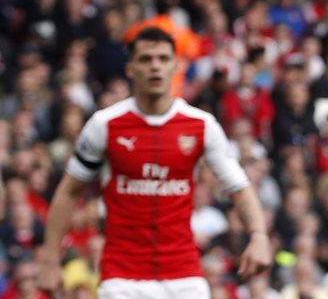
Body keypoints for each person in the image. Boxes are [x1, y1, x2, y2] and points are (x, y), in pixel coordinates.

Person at [38, 26, 273, 298]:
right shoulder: (105, 125)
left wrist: (259, 236)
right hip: (122, 279)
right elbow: (69, 191)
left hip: (185, 277)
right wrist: (49, 260)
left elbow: (239, 187)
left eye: (163, 59)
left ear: (176, 66)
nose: (155, 67)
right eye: (146, 59)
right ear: (130, 69)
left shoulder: (201, 126)